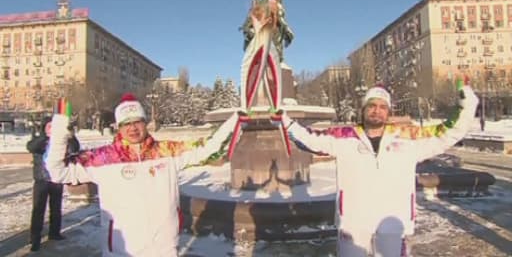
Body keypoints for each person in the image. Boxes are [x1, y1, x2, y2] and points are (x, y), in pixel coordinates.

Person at [280, 80, 478, 257]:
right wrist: (285, 121)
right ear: (364, 109)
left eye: (383, 106)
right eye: (372, 105)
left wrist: (467, 106)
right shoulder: (343, 137)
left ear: (389, 111)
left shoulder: (408, 137)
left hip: (393, 224)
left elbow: (448, 133)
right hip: (353, 224)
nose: (377, 110)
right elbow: (308, 139)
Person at [45, 93, 236, 256]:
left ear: (145, 123)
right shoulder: (102, 158)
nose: (133, 128)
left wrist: (235, 121)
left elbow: (209, 150)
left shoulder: (167, 151)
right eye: (126, 123)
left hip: (164, 249)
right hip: (122, 250)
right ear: (118, 127)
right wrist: (60, 132)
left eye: (137, 121)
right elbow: (58, 172)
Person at [27, 116, 80, 252]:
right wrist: (47, 138)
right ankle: (35, 238)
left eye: (54, 127)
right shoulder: (40, 140)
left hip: (57, 179)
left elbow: (75, 148)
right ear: (45, 128)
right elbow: (31, 147)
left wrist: (70, 135)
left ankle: (54, 233)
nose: (52, 129)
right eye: (49, 126)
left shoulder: (62, 142)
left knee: (56, 208)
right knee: (38, 209)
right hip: (41, 180)